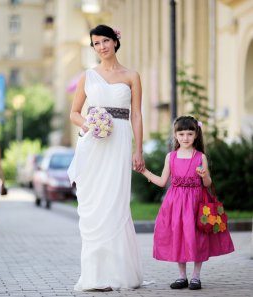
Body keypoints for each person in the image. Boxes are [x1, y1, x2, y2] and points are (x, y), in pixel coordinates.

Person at [67, 24, 145, 291]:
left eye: (105, 41)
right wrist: (90, 125)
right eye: (96, 43)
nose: (101, 46)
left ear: (115, 42)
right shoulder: (87, 76)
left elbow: (136, 114)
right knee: (95, 204)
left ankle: (119, 273)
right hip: (95, 143)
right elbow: (74, 113)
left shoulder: (132, 75)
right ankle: (95, 276)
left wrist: (139, 149)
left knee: (116, 202)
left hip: (121, 141)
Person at [140, 116, 235, 290]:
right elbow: (162, 181)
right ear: (175, 135)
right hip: (175, 204)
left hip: (195, 204)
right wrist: (144, 171)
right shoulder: (171, 157)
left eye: (190, 134)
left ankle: (196, 277)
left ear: (196, 135)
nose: (185, 138)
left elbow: (207, 183)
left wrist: (204, 175)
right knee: (179, 237)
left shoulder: (200, 157)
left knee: (197, 237)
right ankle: (182, 276)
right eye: (181, 133)